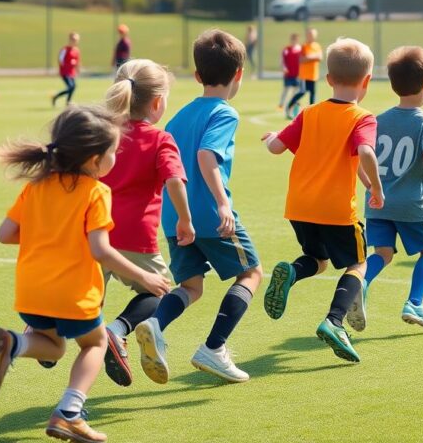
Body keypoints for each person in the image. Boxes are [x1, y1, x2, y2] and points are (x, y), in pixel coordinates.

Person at [0, 105, 170, 443]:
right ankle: (69, 413)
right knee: (94, 344)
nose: (114, 159)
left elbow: (5, 234)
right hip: (73, 291)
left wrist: (46, 234)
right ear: (94, 160)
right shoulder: (96, 192)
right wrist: (145, 276)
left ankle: (14, 343)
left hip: (31, 289)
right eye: (112, 153)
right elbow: (101, 250)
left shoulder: (36, 186)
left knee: (52, 347)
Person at [135, 29, 263, 385]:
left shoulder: (178, 117)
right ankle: (214, 348)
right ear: (238, 75)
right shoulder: (225, 113)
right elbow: (207, 156)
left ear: (197, 76)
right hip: (208, 213)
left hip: (176, 216)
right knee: (251, 273)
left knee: (191, 286)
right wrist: (223, 204)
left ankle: (155, 323)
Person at [261, 37, 382, 363]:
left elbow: (276, 148)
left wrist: (272, 137)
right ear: (367, 81)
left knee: (317, 259)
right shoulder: (362, 117)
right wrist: (378, 189)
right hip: (337, 209)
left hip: (300, 206)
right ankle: (334, 321)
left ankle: (292, 271)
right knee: (358, 263)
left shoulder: (309, 112)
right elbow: (365, 151)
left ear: (328, 79)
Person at [352, 46, 423, 333]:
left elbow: (358, 156)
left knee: (383, 253)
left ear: (393, 85)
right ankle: (415, 303)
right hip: (410, 203)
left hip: (377, 202)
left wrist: (368, 185)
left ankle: (359, 285)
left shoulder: (377, 119)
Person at [96, 59, 195, 387]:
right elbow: (175, 181)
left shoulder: (102, 133)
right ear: (157, 102)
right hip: (134, 237)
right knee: (161, 290)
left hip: (93, 229)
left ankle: (42, 334)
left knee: (82, 295)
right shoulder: (159, 139)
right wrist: (184, 218)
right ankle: (118, 330)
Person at [284, 28, 321, 118]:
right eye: (309, 35)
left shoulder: (317, 46)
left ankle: (312, 113)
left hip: (313, 75)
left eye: (312, 35)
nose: (310, 36)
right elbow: (301, 59)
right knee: (302, 92)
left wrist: (310, 57)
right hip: (304, 75)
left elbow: (320, 57)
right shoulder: (304, 46)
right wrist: (313, 56)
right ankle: (289, 106)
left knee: (313, 94)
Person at [53, 32, 80, 107]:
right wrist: (65, 67)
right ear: (70, 39)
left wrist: (77, 69)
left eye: (76, 39)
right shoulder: (65, 49)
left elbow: (77, 61)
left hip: (72, 72)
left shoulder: (76, 50)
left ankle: (67, 102)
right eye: (74, 39)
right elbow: (60, 60)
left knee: (73, 87)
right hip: (65, 72)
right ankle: (57, 97)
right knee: (71, 86)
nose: (75, 41)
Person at [277, 33, 302, 110]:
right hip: (288, 74)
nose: (294, 41)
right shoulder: (286, 49)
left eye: (295, 39)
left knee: (296, 91)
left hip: (297, 74)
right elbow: (282, 60)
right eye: (292, 39)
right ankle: (281, 105)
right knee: (286, 89)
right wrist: (284, 68)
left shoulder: (300, 49)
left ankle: (293, 104)